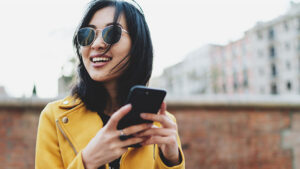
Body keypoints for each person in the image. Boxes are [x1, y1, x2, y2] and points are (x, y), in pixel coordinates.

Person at [35, 0, 185, 168]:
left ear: (137, 45)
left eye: (112, 33)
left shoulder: (161, 123)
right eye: (88, 34)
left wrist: (171, 160)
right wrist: (87, 161)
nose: (97, 44)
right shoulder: (53, 117)